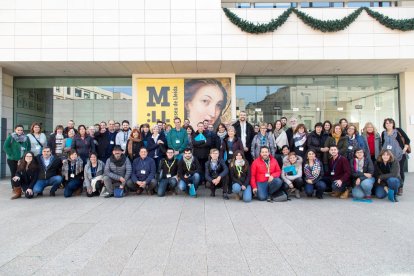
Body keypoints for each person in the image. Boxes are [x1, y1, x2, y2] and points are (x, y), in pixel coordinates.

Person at [381, 118, 410, 195]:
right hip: (388, 156)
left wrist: (405, 148)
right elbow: (383, 144)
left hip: (399, 154)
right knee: (390, 171)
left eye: (390, 123)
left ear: (393, 124)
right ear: (384, 125)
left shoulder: (398, 130)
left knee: (399, 171)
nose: (388, 124)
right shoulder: (383, 133)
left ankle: (400, 187)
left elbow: (407, 139)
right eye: (386, 123)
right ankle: (392, 186)